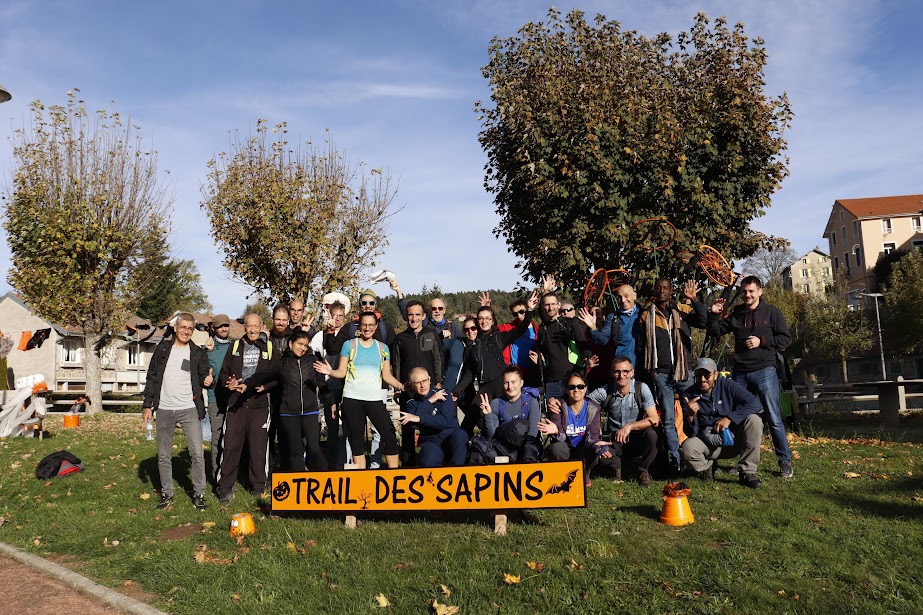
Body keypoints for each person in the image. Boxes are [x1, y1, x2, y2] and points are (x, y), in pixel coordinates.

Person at [708, 275, 794, 478]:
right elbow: (715, 332)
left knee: (773, 417)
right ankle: (745, 463)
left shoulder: (772, 313)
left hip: (765, 371)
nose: (747, 295)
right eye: (744, 291)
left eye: (751, 291)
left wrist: (762, 341)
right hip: (740, 373)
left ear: (760, 292)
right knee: (741, 418)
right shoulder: (737, 313)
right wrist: (714, 315)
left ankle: (785, 461)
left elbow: (785, 339)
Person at [314, 311, 404, 469]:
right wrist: (330, 372)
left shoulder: (382, 348)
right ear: (359, 326)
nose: (367, 328)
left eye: (371, 325)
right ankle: (362, 480)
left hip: (374, 399)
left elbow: (387, 376)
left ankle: (394, 476)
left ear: (376, 326)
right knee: (357, 443)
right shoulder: (349, 345)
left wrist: (403, 386)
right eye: (364, 325)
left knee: (389, 437)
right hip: (352, 399)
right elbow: (341, 372)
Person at [231, 329, 331, 473]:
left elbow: (321, 383)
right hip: (289, 413)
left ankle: (324, 478)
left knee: (314, 448)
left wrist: (331, 402)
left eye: (305, 345)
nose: (303, 348)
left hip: (310, 411)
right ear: (291, 344)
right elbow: (264, 374)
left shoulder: (312, 361)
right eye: (300, 344)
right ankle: (299, 481)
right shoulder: (282, 363)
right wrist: (247, 384)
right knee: (295, 451)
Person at [142, 312, 214, 510]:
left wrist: (209, 380)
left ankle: (199, 494)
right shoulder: (162, 349)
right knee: (163, 455)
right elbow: (152, 377)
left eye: (190, 328)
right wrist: (147, 405)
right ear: (175, 328)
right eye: (183, 327)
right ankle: (167, 493)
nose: (186, 331)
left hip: (189, 409)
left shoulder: (198, 353)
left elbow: (204, 376)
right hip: (164, 408)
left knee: (197, 453)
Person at [637, 277, 707, 472]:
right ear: (654, 290)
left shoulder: (681, 310)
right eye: (658, 288)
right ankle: (676, 460)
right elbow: (641, 346)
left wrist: (694, 299)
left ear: (671, 291)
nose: (662, 291)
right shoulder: (646, 315)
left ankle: (697, 453)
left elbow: (703, 321)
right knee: (668, 418)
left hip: (683, 372)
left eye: (665, 288)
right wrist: (652, 371)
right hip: (661, 374)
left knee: (694, 411)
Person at [216, 313, 275, 504]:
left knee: (258, 447)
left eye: (256, 326)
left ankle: (258, 486)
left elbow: (277, 373)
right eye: (249, 326)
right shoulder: (235, 347)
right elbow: (224, 374)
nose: (253, 329)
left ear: (261, 327)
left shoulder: (269, 347)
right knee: (230, 445)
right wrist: (229, 383)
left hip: (259, 403)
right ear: (244, 327)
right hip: (236, 403)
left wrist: (265, 387)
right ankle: (225, 487)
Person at [680, 358, 764, 489]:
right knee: (687, 447)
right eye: (698, 375)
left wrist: (730, 418)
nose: (702, 379)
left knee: (754, 420)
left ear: (716, 374)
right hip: (708, 443)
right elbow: (691, 434)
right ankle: (707, 468)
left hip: (733, 439)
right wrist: (690, 416)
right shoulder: (688, 395)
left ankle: (747, 472)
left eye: (707, 375)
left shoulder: (728, 385)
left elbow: (756, 404)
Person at [453, 292, 538, 403]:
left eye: (488, 318)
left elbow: (521, 328)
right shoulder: (473, 345)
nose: (484, 321)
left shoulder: (500, 337)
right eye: (481, 318)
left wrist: (530, 310)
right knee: (475, 411)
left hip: (501, 383)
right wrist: (456, 391)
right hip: (485, 386)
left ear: (492, 321)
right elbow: (470, 372)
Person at [585, 357, 659, 486]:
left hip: (636, 437)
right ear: (611, 373)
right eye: (617, 371)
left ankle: (643, 470)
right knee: (596, 448)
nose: (621, 375)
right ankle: (615, 468)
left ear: (632, 372)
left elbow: (654, 419)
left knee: (652, 434)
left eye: (625, 371)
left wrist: (629, 426)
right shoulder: (604, 391)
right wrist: (557, 402)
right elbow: (581, 403)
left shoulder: (641, 388)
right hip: (614, 439)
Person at [393, 300, 444, 465]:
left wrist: (438, 383)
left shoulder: (431, 334)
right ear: (406, 316)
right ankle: (408, 465)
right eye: (410, 315)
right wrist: (397, 388)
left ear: (423, 316)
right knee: (407, 428)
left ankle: (432, 461)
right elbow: (397, 364)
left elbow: (438, 359)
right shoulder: (400, 338)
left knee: (431, 426)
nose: (414, 318)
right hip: (408, 390)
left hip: (429, 390)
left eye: (417, 314)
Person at [539, 371, 608, 487]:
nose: (576, 390)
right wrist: (557, 431)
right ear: (566, 389)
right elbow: (560, 437)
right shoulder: (558, 406)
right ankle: (562, 476)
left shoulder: (594, 408)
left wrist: (597, 443)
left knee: (593, 448)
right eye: (572, 387)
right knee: (557, 448)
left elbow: (593, 434)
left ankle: (584, 475)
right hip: (565, 448)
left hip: (582, 448)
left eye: (580, 386)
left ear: (585, 388)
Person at [534, 280, 591, 401]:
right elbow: (540, 351)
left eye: (553, 304)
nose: (550, 307)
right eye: (547, 305)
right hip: (551, 381)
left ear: (559, 305)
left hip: (573, 379)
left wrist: (587, 360)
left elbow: (583, 345)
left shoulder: (571, 323)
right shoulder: (543, 328)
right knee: (553, 412)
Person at [400, 367, 469, 467]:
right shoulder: (411, 403)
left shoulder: (443, 394)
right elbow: (414, 425)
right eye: (418, 382)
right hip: (431, 441)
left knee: (461, 435)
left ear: (429, 380)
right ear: (412, 385)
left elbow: (443, 422)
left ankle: (458, 471)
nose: (422, 385)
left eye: (424, 380)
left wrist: (420, 419)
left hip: (451, 437)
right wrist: (429, 401)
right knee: (429, 458)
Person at [476, 366, 542, 462]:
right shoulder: (496, 403)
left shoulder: (531, 402)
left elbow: (533, 433)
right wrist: (488, 415)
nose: (510, 387)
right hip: (502, 449)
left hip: (525, 448)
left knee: (520, 427)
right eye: (506, 383)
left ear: (521, 383)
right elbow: (491, 436)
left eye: (513, 382)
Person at [312, 301, 347, 469]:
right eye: (335, 315)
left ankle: (346, 461)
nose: (337, 318)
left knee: (347, 426)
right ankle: (332, 462)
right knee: (331, 427)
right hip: (328, 387)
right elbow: (315, 359)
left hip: (346, 386)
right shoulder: (320, 336)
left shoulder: (348, 334)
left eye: (341, 315)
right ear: (329, 316)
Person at [579, 283, 641, 368]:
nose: (623, 300)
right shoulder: (612, 318)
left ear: (634, 296)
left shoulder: (644, 315)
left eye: (626, 296)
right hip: (621, 367)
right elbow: (603, 340)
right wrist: (593, 328)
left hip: (641, 366)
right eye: (619, 297)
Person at [204, 314, 233, 482]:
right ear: (213, 328)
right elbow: (212, 372)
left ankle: (232, 474)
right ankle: (217, 477)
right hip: (216, 400)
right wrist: (210, 351)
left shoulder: (235, 346)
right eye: (220, 326)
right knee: (217, 439)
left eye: (226, 325)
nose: (224, 329)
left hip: (234, 400)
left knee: (233, 440)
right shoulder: (208, 349)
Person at [267, 304, 291, 468]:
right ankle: (268, 468)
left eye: (284, 320)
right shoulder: (266, 338)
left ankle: (286, 468)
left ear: (288, 320)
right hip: (269, 391)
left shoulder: (294, 337)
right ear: (272, 319)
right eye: (278, 319)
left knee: (286, 432)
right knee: (269, 431)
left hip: (288, 391)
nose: (281, 323)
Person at [498, 297, 540, 387]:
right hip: (513, 372)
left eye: (521, 312)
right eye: (515, 314)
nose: (519, 316)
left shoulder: (538, 331)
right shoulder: (508, 328)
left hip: (532, 372)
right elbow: (491, 328)